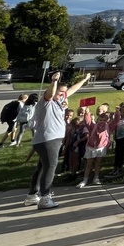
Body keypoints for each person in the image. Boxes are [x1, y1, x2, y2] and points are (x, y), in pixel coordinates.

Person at [24, 72, 90, 209]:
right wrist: (54, 81)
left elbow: (72, 90)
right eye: (60, 92)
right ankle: (45, 197)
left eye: (63, 93)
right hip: (49, 140)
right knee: (51, 167)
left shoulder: (59, 101)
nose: (62, 95)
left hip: (49, 139)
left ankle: (32, 196)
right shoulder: (45, 102)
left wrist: (84, 80)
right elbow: (50, 92)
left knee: (42, 167)